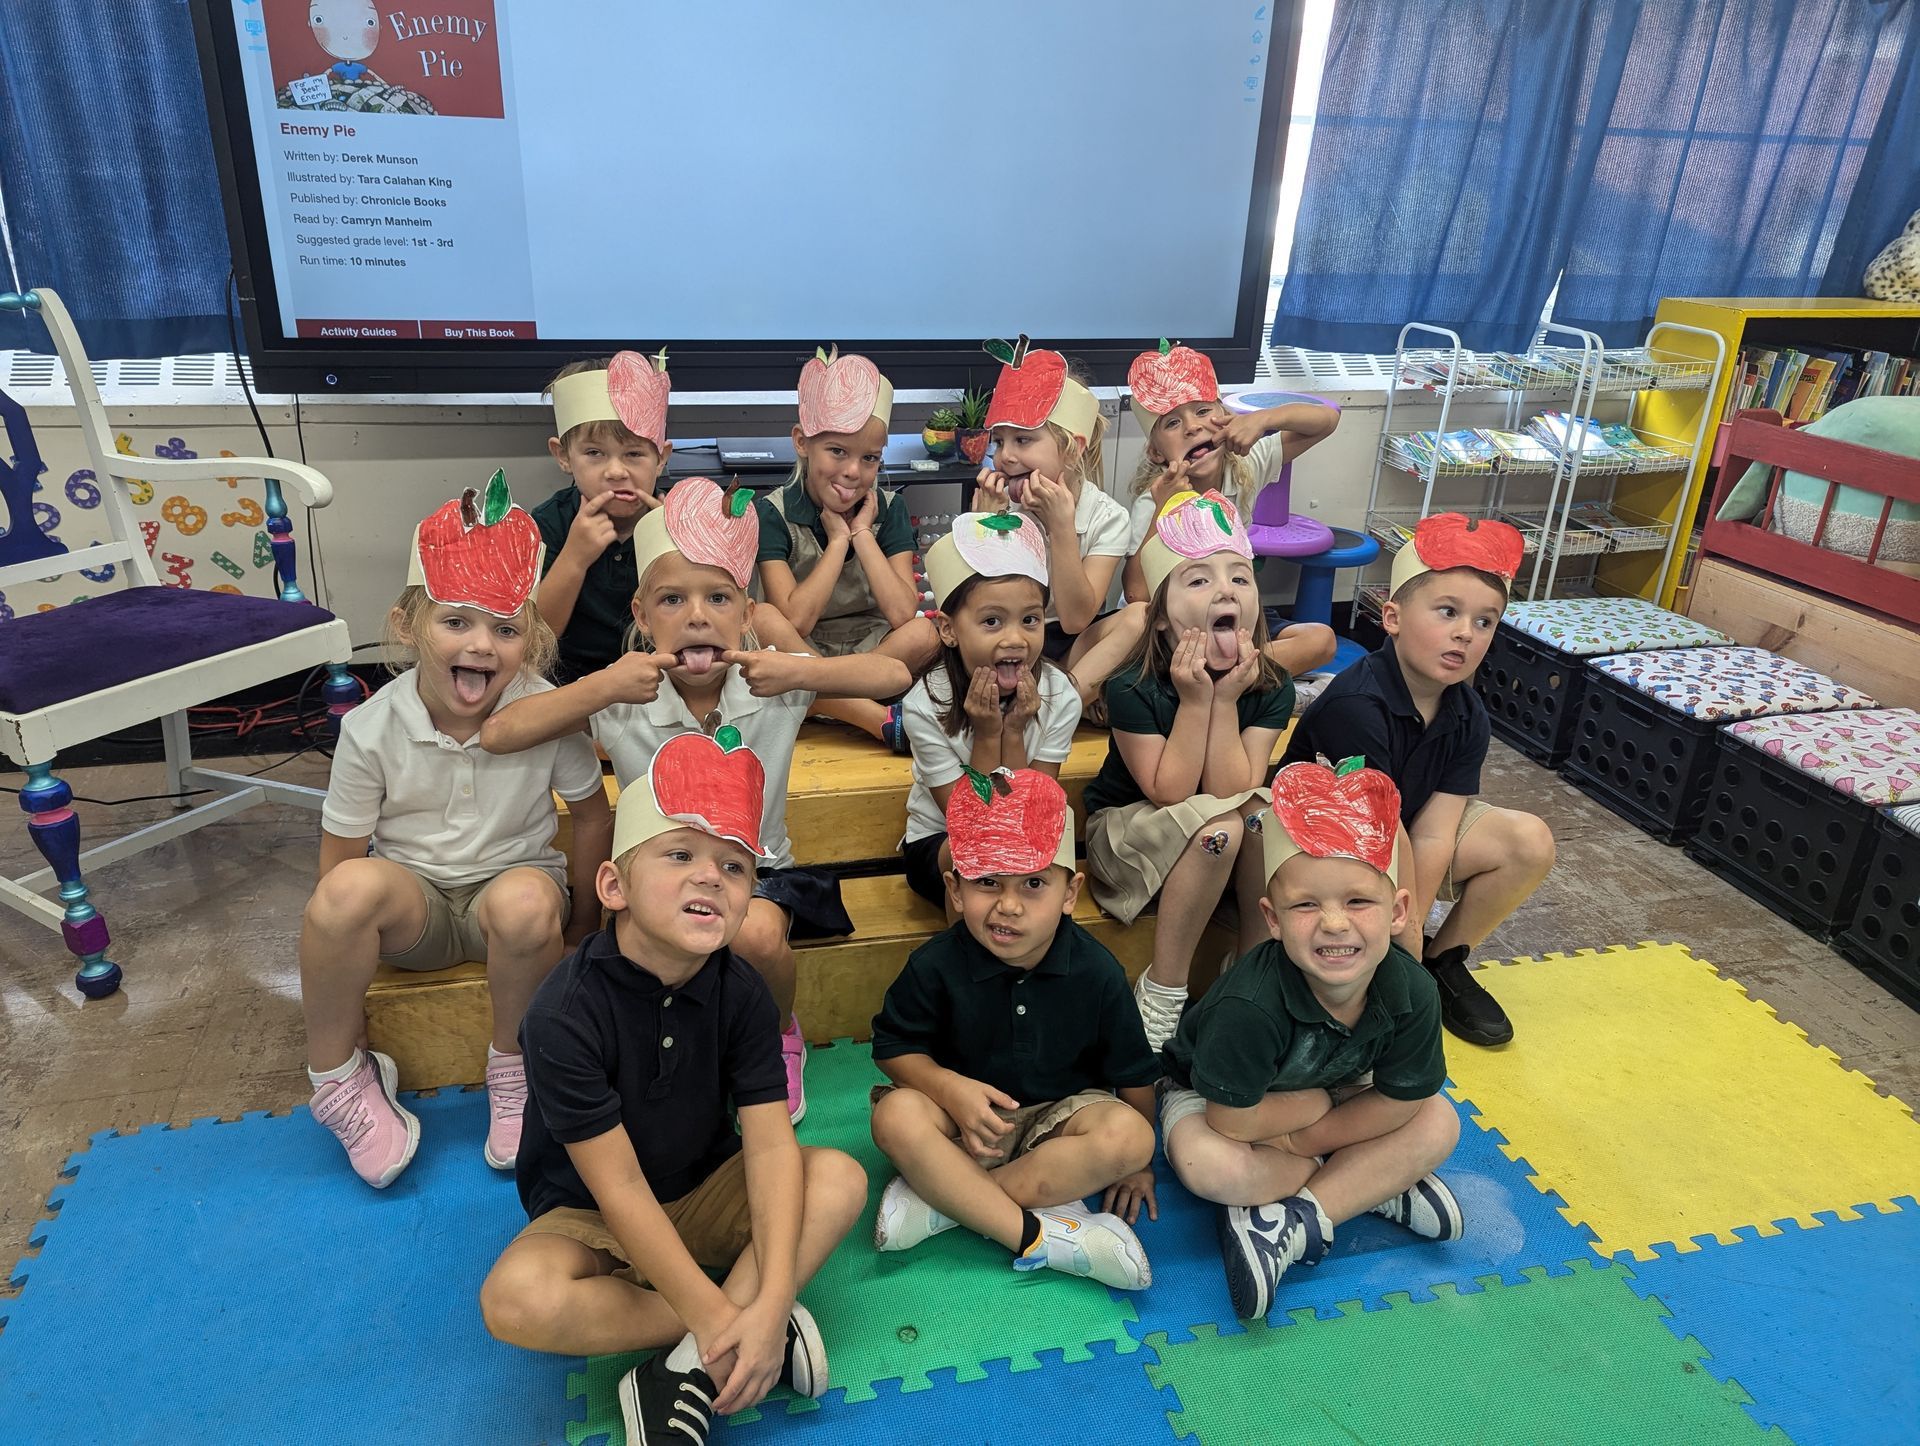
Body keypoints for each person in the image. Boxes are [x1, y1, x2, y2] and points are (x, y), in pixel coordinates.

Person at [478, 732, 867, 1446]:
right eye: (679, 855)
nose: (710, 877)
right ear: (613, 887)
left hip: (705, 1186)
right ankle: (745, 1339)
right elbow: (619, 1187)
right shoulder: (563, 1015)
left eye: (734, 866)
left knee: (838, 1176)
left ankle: (683, 1368)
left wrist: (775, 1291)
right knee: (515, 1300)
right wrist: (727, 1321)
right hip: (593, 1211)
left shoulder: (743, 991)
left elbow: (772, 1145)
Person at [482, 477, 912, 1121]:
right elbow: (499, 731)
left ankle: (776, 1035)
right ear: (641, 613)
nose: (696, 616)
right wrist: (598, 687)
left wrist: (804, 669)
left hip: (759, 874)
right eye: (672, 600)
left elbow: (894, 675)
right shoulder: (626, 698)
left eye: (717, 598)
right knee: (636, 956)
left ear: (745, 609)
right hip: (650, 883)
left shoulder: (774, 685)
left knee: (759, 938)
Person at [302, 473, 612, 1187]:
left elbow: (592, 815)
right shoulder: (373, 728)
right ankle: (340, 1080)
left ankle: (517, 1068)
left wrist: (581, 929)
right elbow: (340, 865)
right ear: (409, 626)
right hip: (416, 909)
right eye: (456, 622)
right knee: (344, 894)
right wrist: (349, 969)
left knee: (527, 902)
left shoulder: (546, 710)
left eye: (505, 629)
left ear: (529, 640)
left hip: (514, 899)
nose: (481, 646)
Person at [1160, 760, 1463, 1322]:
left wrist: (1306, 1138)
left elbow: (1402, 1098)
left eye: (1357, 902)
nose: (1333, 923)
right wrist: (1318, 1113)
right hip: (1220, 1102)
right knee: (1210, 1167)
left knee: (1441, 1121)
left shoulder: (1413, 990)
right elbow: (1230, 1122)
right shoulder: (1247, 1007)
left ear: (1397, 912)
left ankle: (1291, 1221)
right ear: (1272, 919)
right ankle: (1365, 1185)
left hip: (1328, 1100)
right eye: (1306, 905)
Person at [868, 768, 1161, 1289]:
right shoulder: (934, 964)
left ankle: (950, 1203)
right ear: (955, 890)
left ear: (1070, 892)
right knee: (895, 1115)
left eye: (1033, 883)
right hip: (967, 1124)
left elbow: (1134, 1073)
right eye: (987, 882)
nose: (1008, 905)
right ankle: (1023, 1227)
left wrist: (1138, 1165)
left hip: (1060, 1119)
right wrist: (950, 1089)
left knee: (1132, 1137)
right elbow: (893, 1049)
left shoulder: (1097, 972)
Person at [1281, 513, 1555, 1046]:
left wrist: (1412, 925)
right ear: (1393, 617)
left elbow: (1433, 830)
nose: (1464, 633)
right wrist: (1397, 928)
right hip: (1328, 844)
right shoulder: (1358, 706)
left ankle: (1442, 961)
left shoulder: (1468, 710)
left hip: (1404, 834)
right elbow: (1381, 833)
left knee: (1529, 841)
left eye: (1484, 622)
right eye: (1448, 612)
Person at [1081, 489, 1296, 1051]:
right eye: (1198, 579)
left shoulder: (1271, 685)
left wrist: (1225, 702)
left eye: (1239, 578)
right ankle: (1163, 990)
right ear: (1158, 623)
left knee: (1254, 816)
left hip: (1217, 836)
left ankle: (1253, 970)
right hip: (1131, 830)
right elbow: (1169, 790)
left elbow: (1233, 789)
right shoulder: (1131, 686)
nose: (1224, 588)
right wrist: (1197, 702)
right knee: (1225, 827)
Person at [1117, 341, 1340, 681]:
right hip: (1173, 628)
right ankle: (1241, 681)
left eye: (1203, 411)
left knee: (1320, 640)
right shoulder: (1155, 499)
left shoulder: (1247, 466)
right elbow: (1136, 595)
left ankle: (1225, 679)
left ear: (1224, 417)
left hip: (1227, 616)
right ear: (1157, 453)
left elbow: (1326, 421)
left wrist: (1263, 420)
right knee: (1170, 657)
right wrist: (1163, 510)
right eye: (1173, 423)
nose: (1193, 427)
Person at [753, 346, 937, 746]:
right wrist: (837, 542)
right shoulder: (771, 512)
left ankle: (817, 701)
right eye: (837, 451)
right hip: (804, 647)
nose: (853, 471)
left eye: (870, 458)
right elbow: (794, 620)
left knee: (925, 635)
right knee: (762, 619)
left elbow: (903, 612)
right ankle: (869, 715)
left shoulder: (891, 509)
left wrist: (862, 535)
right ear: (802, 442)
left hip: (872, 647)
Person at [898, 511, 1082, 908]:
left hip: (1026, 838)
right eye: (992, 621)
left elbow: (1031, 809)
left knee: (1041, 858)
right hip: (943, 841)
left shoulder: (1060, 695)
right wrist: (988, 734)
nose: (1015, 638)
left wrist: (1013, 732)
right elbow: (974, 820)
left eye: (1030, 619)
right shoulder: (924, 703)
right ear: (949, 629)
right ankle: (968, 963)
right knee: (983, 853)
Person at [969, 338, 1135, 702]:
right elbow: (975, 602)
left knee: (1139, 617)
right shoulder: (996, 505)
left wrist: (1061, 528)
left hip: (1070, 648)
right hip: (1006, 640)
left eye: (1023, 441)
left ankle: (1060, 707)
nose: (1005, 457)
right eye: (999, 442)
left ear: (1072, 448)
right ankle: (1037, 701)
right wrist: (986, 523)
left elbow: (1076, 619)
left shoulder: (1108, 518)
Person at [532, 350, 674, 682]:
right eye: (594, 453)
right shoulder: (549, 523)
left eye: (634, 453)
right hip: (570, 681)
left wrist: (673, 549)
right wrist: (575, 558)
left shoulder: (679, 521)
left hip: (663, 678)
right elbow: (536, 641)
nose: (615, 471)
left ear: (661, 457)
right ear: (563, 455)